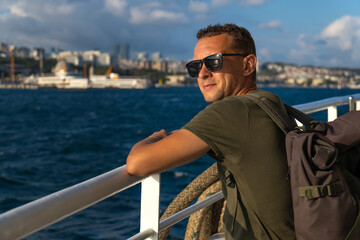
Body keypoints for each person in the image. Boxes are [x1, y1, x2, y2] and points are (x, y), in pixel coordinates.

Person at [126, 23, 295, 240]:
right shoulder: (269, 102)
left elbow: (137, 163)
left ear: (248, 64)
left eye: (214, 62)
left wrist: (156, 136)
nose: (203, 73)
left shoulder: (231, 111)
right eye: (196, 67)